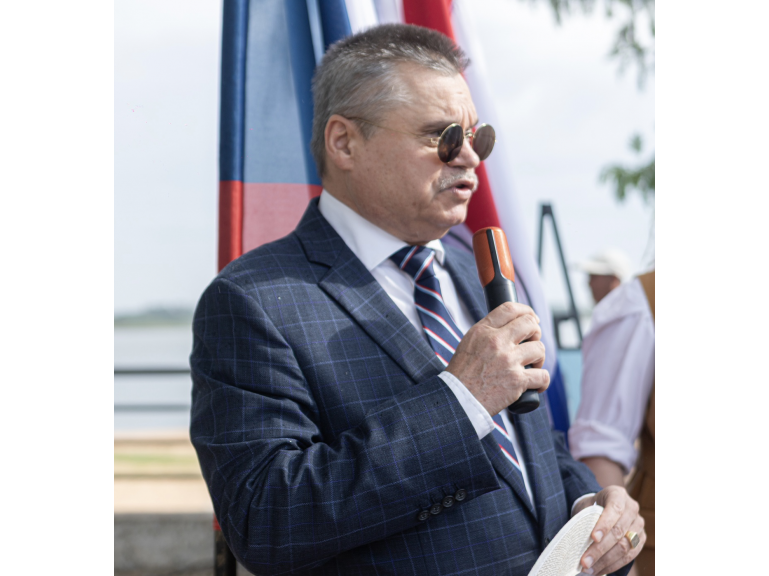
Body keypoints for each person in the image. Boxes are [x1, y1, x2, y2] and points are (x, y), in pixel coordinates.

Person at [190, 24, 644, 576]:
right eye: (444, 137)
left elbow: (530, 442)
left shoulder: (482, 270)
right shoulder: (252, 301)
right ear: (344, 142)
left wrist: (591, 504)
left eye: (479, 139)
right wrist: (460, 400)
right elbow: (266, 521)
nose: (471, 160)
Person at [569, 270, 655, 575]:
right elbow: (600, 446)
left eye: (596, 275)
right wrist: (622, 562)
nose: (588, 282)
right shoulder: (639, 304)